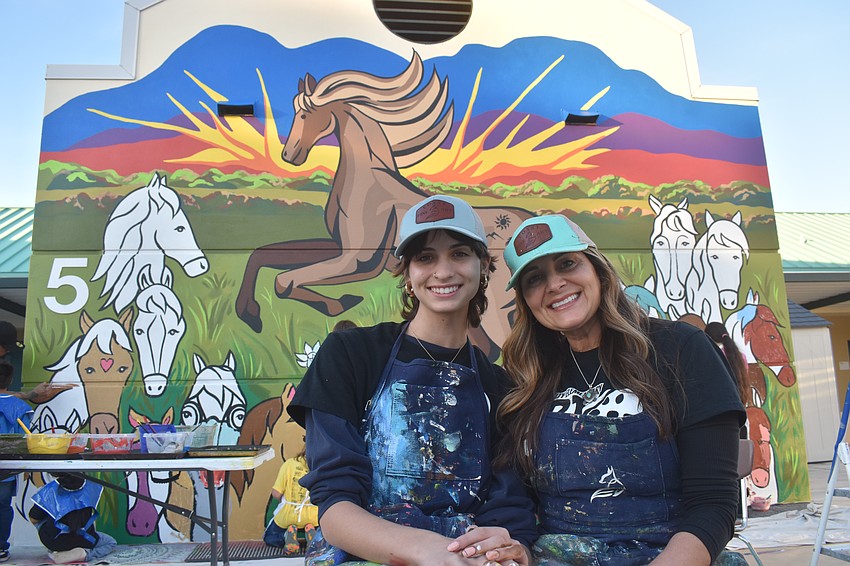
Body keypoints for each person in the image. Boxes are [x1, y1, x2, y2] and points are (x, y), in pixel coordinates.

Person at [484, 214, 747, 565]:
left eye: (567, 263)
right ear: (527, 300)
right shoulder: (526, 378)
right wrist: (519, 547)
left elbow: (714, 502)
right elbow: (518, 499)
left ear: (598, 270)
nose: (555, 283)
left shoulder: (682, 349)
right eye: (535, 278)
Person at [288, 195, 536, 566]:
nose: (443, 271)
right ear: (407, 273)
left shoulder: (500, 388)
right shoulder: (350, 355)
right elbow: (335, 506)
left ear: (484, 266)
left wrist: (514, 549)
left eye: (459, 254)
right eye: (425, 257)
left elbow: (509, 513)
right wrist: (425, 550)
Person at [28, 472, 117, 564]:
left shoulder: (49, 490)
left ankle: (57, 550)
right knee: (110, 542)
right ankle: (84, 554)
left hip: (54, 541)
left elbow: (33, 518)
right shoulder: (92, 487)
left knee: (43, 519)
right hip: (86, 540)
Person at [0, 359, 34, 563]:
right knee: (2, 507)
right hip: (6, 469)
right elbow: (26, 440)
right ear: (11, 380)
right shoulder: (19, 406)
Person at [263, 445, 318, 555]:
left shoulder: (289, 464)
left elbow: (276, 493)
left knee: (270, 537)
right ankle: (313, 534)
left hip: (289, 514)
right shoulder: (323, 466)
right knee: (327, 535)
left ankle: (287, 534)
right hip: (314, 516)